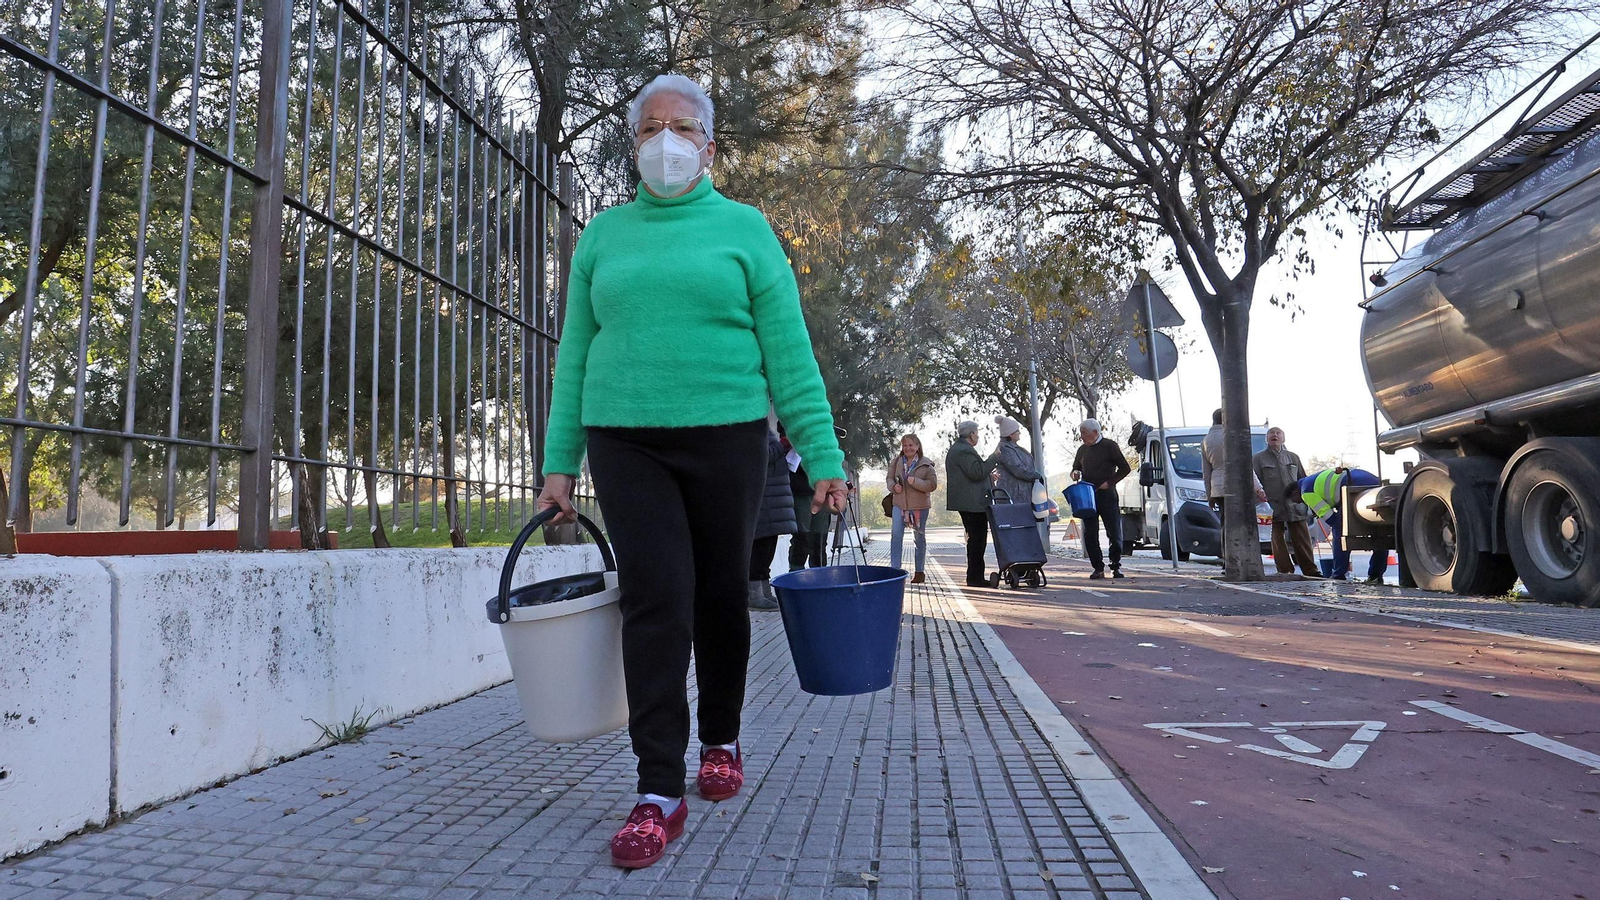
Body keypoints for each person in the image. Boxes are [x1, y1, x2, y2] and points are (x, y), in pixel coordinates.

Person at [535, 74, 847, 870]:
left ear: (709, 147)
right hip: (624, 438)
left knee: (717, 597)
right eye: (649, 127)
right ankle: (657, 790)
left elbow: (789, 352)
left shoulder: (746, 230)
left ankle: (722, 738)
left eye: (681, 127)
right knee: (655, 601)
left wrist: (824, 457)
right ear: (633, 143)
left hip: (727, 435)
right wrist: (558, 463)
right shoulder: (603, 236)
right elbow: (576, 354)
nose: (664, 140)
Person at [1299, 466, 1388, 583]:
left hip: (1352, 485)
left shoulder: (1305, 492)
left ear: (1295, 493)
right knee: (1381, 532)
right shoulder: (1311, 480)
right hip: (1374, 482)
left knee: (1339, 531)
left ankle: (1339, 575)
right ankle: (1376, 576)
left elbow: (1330, 518)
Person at [1252, 427, 1320, 577]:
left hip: (1295, 504)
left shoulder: (1293, 457)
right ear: (1266, 439)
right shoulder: (1258, 458)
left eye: (1278, 433)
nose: (1275, 436)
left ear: (1284, 438)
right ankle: (1285, 571)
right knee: (1277, 539)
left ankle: (1311, 570)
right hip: (1272, 505)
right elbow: (1254, 481)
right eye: (1271, 433)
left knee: (1302, 538)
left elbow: (1303, 479)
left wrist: (1309, 500)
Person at [1070, 418, 1132, 579]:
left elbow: (1125, 468)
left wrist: (1110, 483)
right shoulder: (1082, 450)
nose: (1081, 436)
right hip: (1087, 497)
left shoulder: (1110, 446)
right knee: (1089, 534)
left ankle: (1115, 565)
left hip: (1107, 495)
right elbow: (1075, 468)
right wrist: (1074, 473)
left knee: (1114, 532)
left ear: (1095, 432)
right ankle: (1097, 567)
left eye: (1084, 433)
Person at [748, 425, 797, 610]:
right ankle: (754, 594)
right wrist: (783, 445)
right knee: (760, 550)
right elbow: (759, 454)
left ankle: (765, 591)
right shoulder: (750, 426)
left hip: (773, 499)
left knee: (768, 549)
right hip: (765, 499)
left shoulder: (762, 427)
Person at [946, 420, 999, 587]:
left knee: (975, 539)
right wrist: (994, 458)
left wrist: (987, 476)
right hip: (972, 503)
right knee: (977, 540)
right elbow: (976, 472)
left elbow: (971, 473)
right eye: (977, 433)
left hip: (968, 502)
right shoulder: (964, 451)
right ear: (971, 434)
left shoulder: (959, 449)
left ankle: (975, 576)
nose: (978, 437)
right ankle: (975, 578)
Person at [1201, 408, 1266, 540]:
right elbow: (1246, 465)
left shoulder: (1206, 441)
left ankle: (1226, 549)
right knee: (1241, 523)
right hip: (1237, 486)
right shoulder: (1233, 437)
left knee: (1225, 523)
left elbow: (1206, 472)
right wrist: (1258, 488)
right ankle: (1239, 549)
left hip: (1218, 489)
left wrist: (1210, 496)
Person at [887, 433, 937, 583]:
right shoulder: (896, 462)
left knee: (919, 538)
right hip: (899, 505)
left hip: (919, 507)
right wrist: (893, 487)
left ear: (917, 446)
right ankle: (895, 571)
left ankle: (919, 572)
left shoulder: (927, 464)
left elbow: (932, 485)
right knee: (896, 537)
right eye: (904, 445)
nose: (907, 448)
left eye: (910, 445)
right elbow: (889, 478)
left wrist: (915, 482)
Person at [779, 424, 828, 571]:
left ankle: (821, 576)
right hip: (801, 490)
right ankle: (796, 574)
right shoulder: (795, 417)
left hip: (822, 490)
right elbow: (783, 429)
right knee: (802, 538)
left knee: (819, 539)